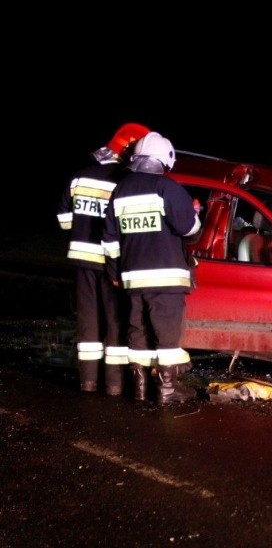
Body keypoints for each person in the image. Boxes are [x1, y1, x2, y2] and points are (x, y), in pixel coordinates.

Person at [103, 132, 202, 404]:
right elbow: (190, 230)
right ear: (164, 159)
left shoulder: (120, 190)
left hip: (133, 279)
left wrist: (114, 274)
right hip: (166, 280)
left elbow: (110, 240)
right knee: (167, 335)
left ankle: (141, 389)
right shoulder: (167, 188)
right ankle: (168, 390)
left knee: (138, 331)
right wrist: (194, 212)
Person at [56, 122, 150, 395]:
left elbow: (64, 221)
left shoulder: (80, 176)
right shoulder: (124, 183)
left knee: (88, 320)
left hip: (81, 260)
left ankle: (87, 381)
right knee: (115, 322)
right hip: (111, 262)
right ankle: (114, 384)